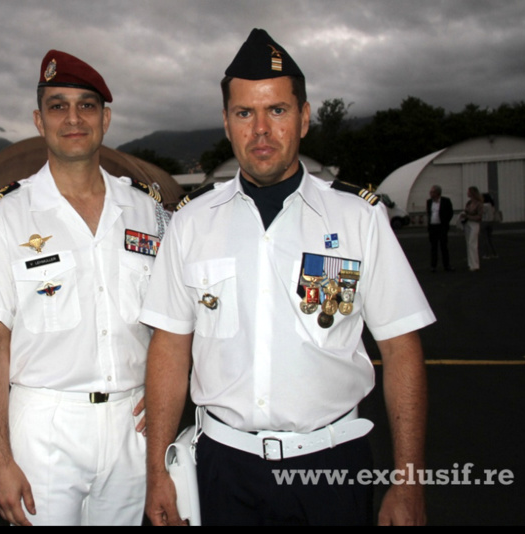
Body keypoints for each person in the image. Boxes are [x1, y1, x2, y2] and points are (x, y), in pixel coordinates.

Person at [141, 29, 436, 526]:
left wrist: (408, 483)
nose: (260, 129)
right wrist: (155, 473)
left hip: (331, 466)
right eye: (244, 113)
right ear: (226, 122)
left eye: (276, 110)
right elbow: (169, 348)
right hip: (222, 470)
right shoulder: (192, 223)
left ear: (303, 117)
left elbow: (402, 349)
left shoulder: (358, 219)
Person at [0, 49, 168, 526]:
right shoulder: (7, 215)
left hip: (133, 425)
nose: (73, 118)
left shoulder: (150, 213)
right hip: (45, 425)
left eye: (87, 105)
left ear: (106, 119)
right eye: (58, 106)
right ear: (39, 120)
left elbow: (175, 322)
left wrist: (166, 400)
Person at [426, 185, 455, 272]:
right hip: (433, 227)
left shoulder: (446, 201)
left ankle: (446, 265)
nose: (430, 194)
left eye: (432, 192)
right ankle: (433, 265)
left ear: (437, 193)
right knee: (433, 247)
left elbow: (450, 212)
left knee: (444, 246)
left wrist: (445, 222)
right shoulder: (429, 202)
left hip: (441, 227)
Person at [461, 186, 483, 271]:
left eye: (468, 191)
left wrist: (467, 216)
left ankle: (475, 264)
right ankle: (471, 263)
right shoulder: (469, 203)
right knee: (469, 243)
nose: (467, 193)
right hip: (468, 223)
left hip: (474, 224)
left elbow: (479, 217)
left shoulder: (479, 204)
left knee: (472, 243)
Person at [480, 192, 499, 259]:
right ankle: (494, 253)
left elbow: (481, 212)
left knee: (484, 239)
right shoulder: (491, 205)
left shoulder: (484, 205)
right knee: (490, 238)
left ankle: (486, 254)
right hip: (491, 222)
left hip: (484, 222)